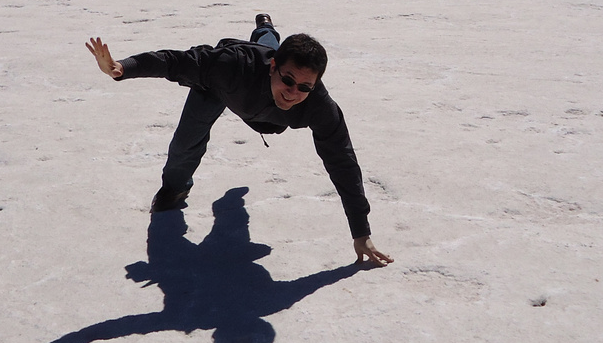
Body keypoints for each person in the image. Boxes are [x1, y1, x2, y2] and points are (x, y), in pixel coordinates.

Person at [86, 15, 393, 267]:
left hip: (266, 118)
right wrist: (123, 68)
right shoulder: (228, 65)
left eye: (304, 87)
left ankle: (266, 28)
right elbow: (174, 62)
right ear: (274, 68)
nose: (293, 92)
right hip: (222, 90)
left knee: (270, 48)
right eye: (287, 80)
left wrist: (360, 231)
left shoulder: (318, 106)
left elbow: (343, 162)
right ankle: (174, 188)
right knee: (185, 145)